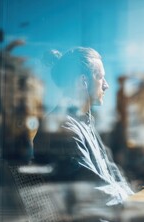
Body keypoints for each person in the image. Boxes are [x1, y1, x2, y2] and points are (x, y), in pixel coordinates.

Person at [33, 47, 134, 207]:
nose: (106, 85)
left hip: (106, 219)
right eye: (100, 77)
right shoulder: (64, 129)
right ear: (82, 82)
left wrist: (135, 200)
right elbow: (91, 190)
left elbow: (112, 173)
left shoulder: (84, 125)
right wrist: (134, 204)